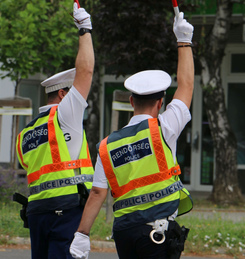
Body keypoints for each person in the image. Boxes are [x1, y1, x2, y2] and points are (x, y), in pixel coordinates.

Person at [70, 12, 195, 259]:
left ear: (130, 101)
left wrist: (82, 234)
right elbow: (186, 86)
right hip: (156, 233)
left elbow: (97, 193)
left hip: (125, 233)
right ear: (161, 103)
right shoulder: (164, 129)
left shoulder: (106, 146)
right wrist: (184, 41)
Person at [15, 2, 94, 259]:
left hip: (37, 212)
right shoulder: (65, 115)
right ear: (63, 94)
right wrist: (85, 30)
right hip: (66, 210)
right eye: (72, 94)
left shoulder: (25, 134)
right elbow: (86, 70)